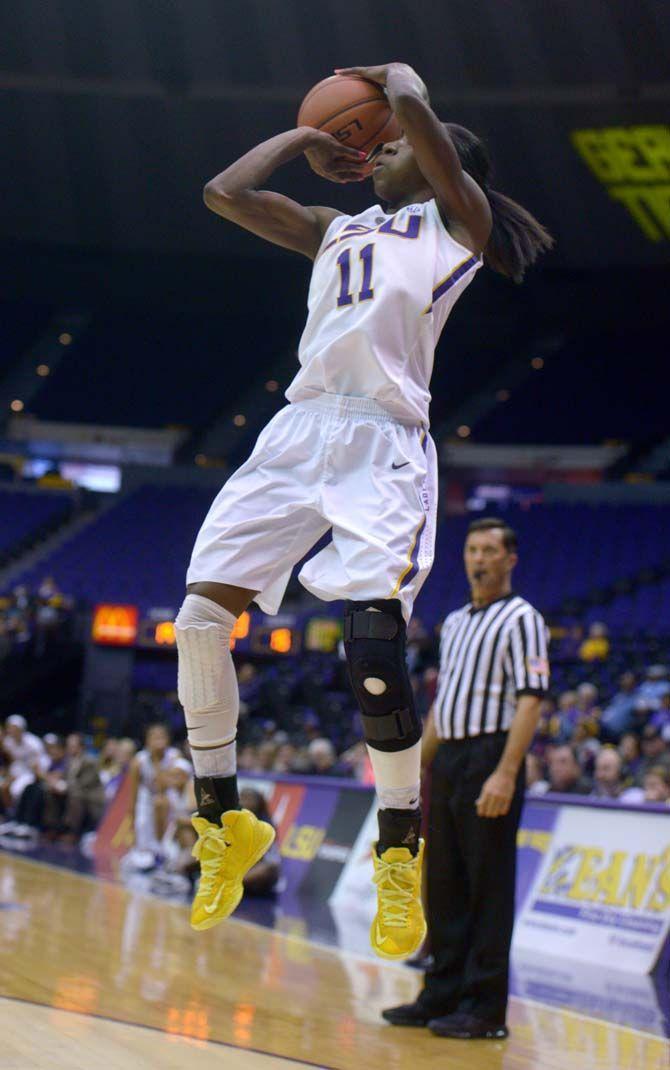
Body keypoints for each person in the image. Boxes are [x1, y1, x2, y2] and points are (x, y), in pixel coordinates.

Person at [173, 60, 552, 955]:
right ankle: (224, 821)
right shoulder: (336, 228)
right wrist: (302, 139)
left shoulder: (458, 226)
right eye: (367, 144)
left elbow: (416, 114)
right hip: (298, 431)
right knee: (196, 622)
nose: (374, 152)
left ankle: (396, 850)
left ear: (435, 159)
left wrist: (397, 79)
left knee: (373, 638)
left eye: (389, 147)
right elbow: (224, 193)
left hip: (383, 443)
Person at [383, 517, 549, 1039]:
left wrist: (506, 771)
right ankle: (441, 995)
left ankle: (484, 1009)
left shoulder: (524, 619)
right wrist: (413, 772)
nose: (478, 558)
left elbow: (530, 701)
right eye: (472, 549)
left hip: (490, 757)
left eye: (489, 550)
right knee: (445, 883)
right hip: (450, 758)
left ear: (509, 559)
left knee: (488, 886)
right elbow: (443, 706)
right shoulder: (454, 623)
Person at [127, 724, 192, 867]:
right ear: (147, 740)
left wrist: (157, 759)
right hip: (145, 794)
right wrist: (132, 820)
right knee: (142, 821)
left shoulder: (174, 755)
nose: (158, 740)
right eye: (154, 737)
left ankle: (161, 850)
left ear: (168, 740)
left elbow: (163, 783)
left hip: (167, 793)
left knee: (161, 804)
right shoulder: (139, 761)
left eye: (162, 737)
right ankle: (144, 852)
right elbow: (133, 795)